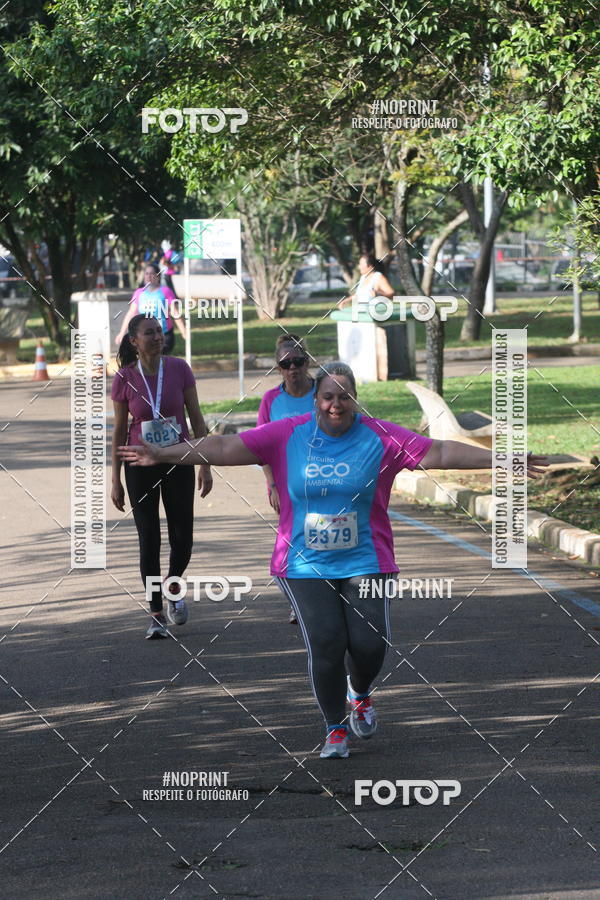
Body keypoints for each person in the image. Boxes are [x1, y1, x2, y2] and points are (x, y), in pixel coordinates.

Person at [118, 362, 548, 756]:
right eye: (328, 396)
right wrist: (163, 454)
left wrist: (503, 460)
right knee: (326, 643)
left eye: (345, 396)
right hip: (303, 562)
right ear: (316, 400)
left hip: (367, 559)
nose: (336, 404)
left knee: (368, 645)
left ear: (355, 400)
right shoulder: (287, 433)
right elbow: (226, 446)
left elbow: (441, 453)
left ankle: (359, 693)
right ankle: (334, 728)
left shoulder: (381, 436)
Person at [111, 313, 213, 639]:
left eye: (160, 331)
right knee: (149, 538)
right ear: (134, 341)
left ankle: (172, 584)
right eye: (149, 333)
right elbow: (117, 432)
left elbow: (197, 419)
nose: (157, 337)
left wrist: (205, 464)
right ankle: (156, 614)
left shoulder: (179, 368)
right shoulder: (125, 378)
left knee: (182, 537)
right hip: (138, 465)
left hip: (179, 459)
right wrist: (115, 479)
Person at [257, 334, 316, 624]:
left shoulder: (323, 392)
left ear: (308, 362)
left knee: (322, 539)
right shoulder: (271, 400)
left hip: (327, 478)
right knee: (289, 546)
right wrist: (272, 485)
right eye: (286, 363)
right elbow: (261, 446)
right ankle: (299, 600)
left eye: (298, 361)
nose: (293, 368)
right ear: (278, 367)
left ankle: (323, 600)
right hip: (287, 482)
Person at [115, 263, 186, 356]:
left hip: (163, 335)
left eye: (152, 273)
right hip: (145, 336)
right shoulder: (139, 293)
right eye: (146, 273)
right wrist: (122, 333)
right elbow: (131, 313)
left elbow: (175, 312)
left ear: (158, 276)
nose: (149, 276)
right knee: (147, 363)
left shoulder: (165, 291)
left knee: (160, 363)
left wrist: (184, 331)